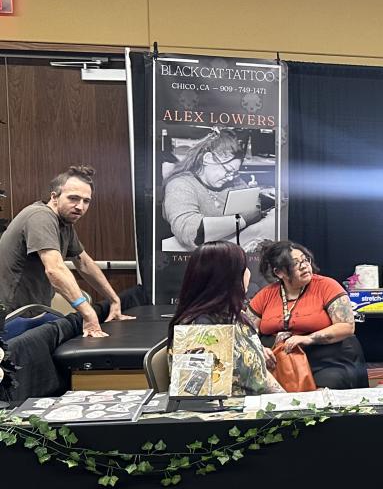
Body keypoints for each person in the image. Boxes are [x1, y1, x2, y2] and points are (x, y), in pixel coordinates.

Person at [0, 165, 134, 337]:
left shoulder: (64, 223)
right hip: (11, 319)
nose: (80, 206)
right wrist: (88, 312)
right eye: (73, 198)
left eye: (86, 201)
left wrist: (114, 300)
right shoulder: (40, 217)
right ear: (54, 197)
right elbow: (55, 269)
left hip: (32, 314)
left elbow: (84, 263)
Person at [248, 240, 368, 389]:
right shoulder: (265, 295)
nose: (304, 266)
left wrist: (308, 338)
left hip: (326, 361)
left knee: (324, 389)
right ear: (279, 272)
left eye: (305, 260)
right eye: (295, 263)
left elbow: (346, 326)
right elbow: (247, 333)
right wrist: (260, 349)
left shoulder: (327, 286)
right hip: (278, 362)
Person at [169, 241, 283, 396]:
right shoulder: (200, 330)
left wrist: (285, 399)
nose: (249, 273)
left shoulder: (235, 316)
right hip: (236, 409)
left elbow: (260, 375)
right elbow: (201, 396)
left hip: (257, 403)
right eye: (244, 268)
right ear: (228, 278)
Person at [162, 129, 275, 251]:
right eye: (228, 170)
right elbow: (191, 232)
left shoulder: (233, 181)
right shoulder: (180, 184)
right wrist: (241, 219)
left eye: (234, 173)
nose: (230, 177)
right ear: (208, 158)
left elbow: (253, 206)